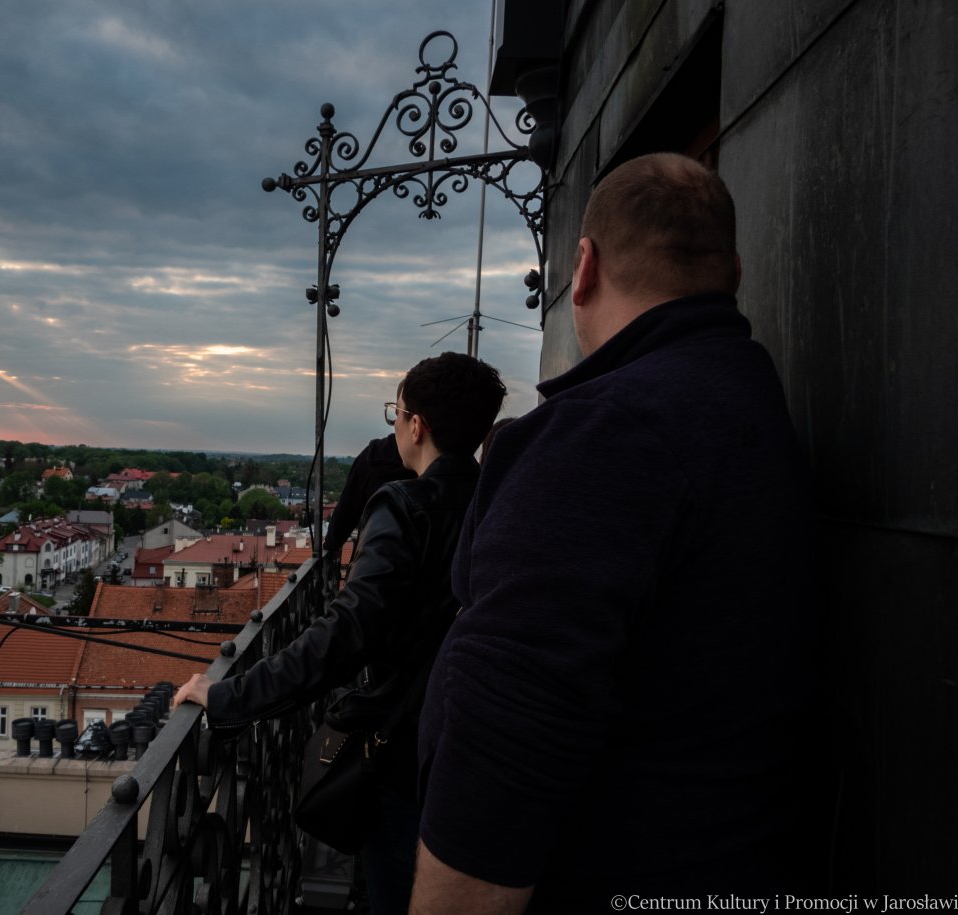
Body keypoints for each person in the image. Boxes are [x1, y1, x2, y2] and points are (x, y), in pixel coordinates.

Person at [411, 153, 821, 913]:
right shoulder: (748, 397)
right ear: (731, 271)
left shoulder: (606, 431)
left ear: (586, 266)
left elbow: (503, 739)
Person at [172, 351, 507, 915]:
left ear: (416, 424)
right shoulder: (499, 500)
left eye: (395, 414)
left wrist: (230, 695)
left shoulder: (405, 506)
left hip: (406, 750)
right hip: (484, 739)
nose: (395, 425)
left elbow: (350, 629)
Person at [323, 433, 415, 554]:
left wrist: (330, 544)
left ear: (415, 424)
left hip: (374, 561)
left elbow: (346, 513)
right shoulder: (440, 467)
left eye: (398, 415)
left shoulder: (373, 456)